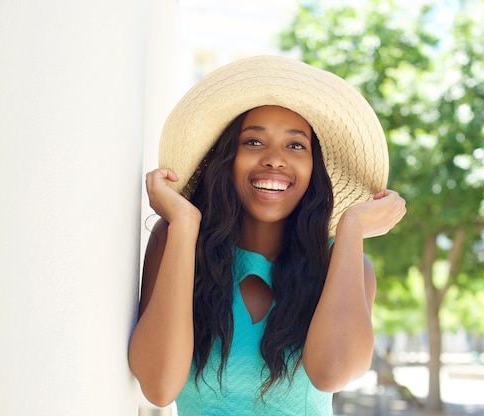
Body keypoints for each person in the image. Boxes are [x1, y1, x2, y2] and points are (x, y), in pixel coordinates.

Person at [128, 55, 406, 415]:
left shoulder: (348, 264)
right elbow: (158, 387)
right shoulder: (177, 242)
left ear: (314, 170)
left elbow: (332, 375)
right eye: (254, 142)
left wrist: (351, 230)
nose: (275, 159)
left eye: (295, 146)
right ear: (226, 159)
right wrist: (182, 223)